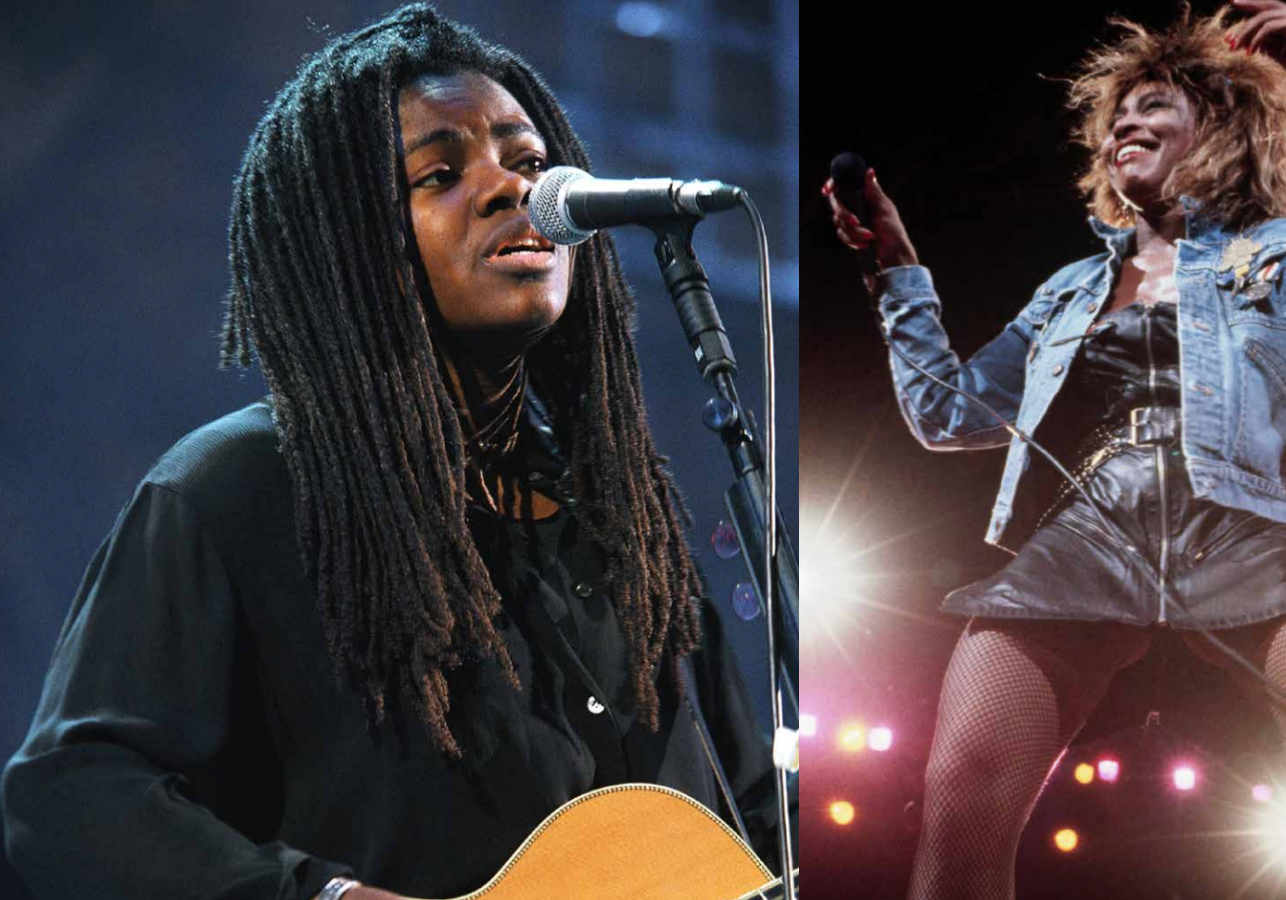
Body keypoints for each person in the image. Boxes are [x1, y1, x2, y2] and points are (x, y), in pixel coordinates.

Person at [2, 6, 788, 899]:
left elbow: (755, 821)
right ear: (350, 243)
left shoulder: (625, 521)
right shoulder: (239, 490)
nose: (513, 190)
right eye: (440, 173)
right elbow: (69, 795)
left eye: (530, 162)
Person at [826, 2, 1286, 899]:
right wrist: (896, 270)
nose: (1124, 127)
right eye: (1115, 117)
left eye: (1153, 109)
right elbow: (950, 414)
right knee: (959, 799)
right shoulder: (1070, 289)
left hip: (1241, 522)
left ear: (1221, 127)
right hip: (1088, 532)